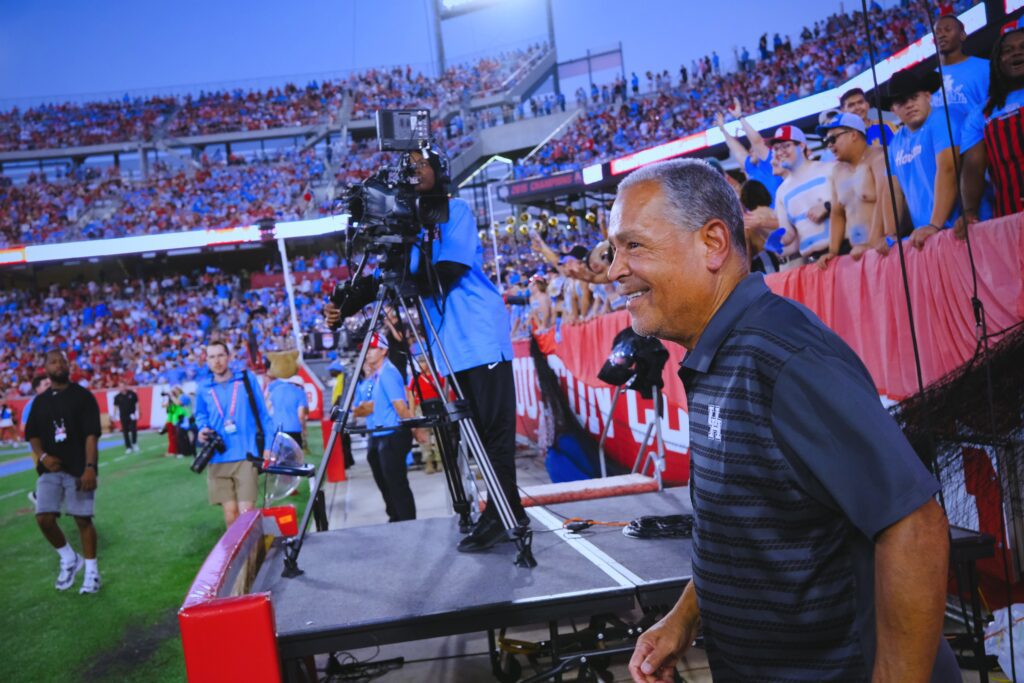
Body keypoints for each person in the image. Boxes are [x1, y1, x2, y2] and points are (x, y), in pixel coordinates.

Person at [604, 159, 957, 682]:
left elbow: (915, 526)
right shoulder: (718, 352)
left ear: (713, 243)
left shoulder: (784, 358)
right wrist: (683, 619)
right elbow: (745, 527)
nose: (614, 269)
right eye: (614, 250)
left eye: (633, 246)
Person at [326, 145, 524, 551]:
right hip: (450, 346)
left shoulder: (454, 210)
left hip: (480, 337)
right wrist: (343, 303)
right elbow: (382, 277)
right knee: (476, 438)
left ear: (440, 170)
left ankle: (504, 515)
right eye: (408, 165)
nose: (414, 170)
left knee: (492, 435)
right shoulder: (406, 228)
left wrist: (403, 260)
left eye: (422, 164)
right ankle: (505, 512)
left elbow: (446, 272)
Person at [25, 350, 103, 594]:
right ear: (45, 368)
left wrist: (90, 468)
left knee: (82, 519)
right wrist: (44, 457)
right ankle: (69, 558)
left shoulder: (82, 396)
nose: (58, 365)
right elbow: (32, 436)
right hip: (50, 469)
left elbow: (92, 436)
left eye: (61, 361)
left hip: (79, 467)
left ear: (68, 365)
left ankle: (92, 572)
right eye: (52, 362)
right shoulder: (40, 402)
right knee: (43, 518)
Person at [195, 341, 275, 529]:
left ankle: (254, 558)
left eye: (221, 355)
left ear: (229, 357)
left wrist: (268, 447)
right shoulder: (203, 388)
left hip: (246, 456)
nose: (217, 361)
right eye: (212, 357)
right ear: (207, 361)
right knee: (230, 515)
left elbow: (264, 415)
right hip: (217, 457)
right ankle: (243, 558)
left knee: (247, 515)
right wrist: (202, 429)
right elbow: (200, 416)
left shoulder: (246, 380)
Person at [883, 68, 961, 249]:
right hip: (927, 236)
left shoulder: (943, 119)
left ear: (927, 96)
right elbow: (892, 191)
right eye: (902, 102)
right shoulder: (895, 143)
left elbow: (949, 169)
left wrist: (934, 224)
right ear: (893, 109)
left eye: (914, 97)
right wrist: (890, 234)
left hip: (957, 229)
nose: (909, 104)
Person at [816, 111, 896, 269]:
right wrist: (833, 251)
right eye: (826, 140)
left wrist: (873, 243)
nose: (829, 145)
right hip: (857, 254)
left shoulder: (878, 157)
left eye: (833, 138)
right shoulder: (837, 171)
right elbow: (837, 213)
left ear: (853, 135)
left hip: (884, 250)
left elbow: (885, 198)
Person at [961, 23, 1024, 221]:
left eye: (1023, 47)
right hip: (1010, 217)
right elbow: (973, 167)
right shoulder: (981, 113)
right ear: (997, 60)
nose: (1016, 53)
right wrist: (969, 211)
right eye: (1008, 50)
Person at [353, 333, 416, 521]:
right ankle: (396, 516)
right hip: (382, 434)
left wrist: (414, 429)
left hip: (392, 434)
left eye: (372, 348)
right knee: (387, 482)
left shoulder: (388, 372)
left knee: (396, 483)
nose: (368, 353)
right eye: (367, 349)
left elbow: (400, 406)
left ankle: (406, 521)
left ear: (384, 350)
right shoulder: (378, 375)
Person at [768, 125, 835, 265]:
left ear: (802, 145)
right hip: (812, 264)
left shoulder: (828, 169)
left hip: (841, 254)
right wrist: (773, 239)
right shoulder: (781, 192)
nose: (780, 152)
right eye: (776, 148)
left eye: (786, 146)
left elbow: (853, 201)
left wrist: (827, 206)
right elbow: (788, 234)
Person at [932, 14, 990, 135]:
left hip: (979, 142)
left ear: (962, 35)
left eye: (947, 30)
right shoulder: (929, 80)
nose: (941, 35)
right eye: (937, 32)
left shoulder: (985, 67)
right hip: (945, 150)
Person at [265, 350, 309, 449]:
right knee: (295, 460)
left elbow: (266, 409)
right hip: (294, 429)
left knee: (279, 460)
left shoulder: (273, 391)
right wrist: (304, 431)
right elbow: (301, 416)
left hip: (277, 429)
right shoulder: (299, 392)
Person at [112, 383, 140, 454]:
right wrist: (114, 415)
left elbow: (137, 403)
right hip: (123, 416)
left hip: (132, 415)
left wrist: (139, 412)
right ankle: (128, 447)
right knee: (125, 432)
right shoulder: (117, 397)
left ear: (126, 386)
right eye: (120, 387)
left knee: (133, 429)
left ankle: (134, 443)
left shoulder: (132, 394)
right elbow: (115, 407)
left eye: (123, 386)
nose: (122, 388)